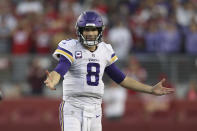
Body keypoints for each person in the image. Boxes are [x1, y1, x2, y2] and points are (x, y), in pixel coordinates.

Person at [44, 11, 174, 131]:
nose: (90, 33)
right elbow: (60, 69)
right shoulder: (71, 47)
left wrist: (150, 90)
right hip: (73, 107)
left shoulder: (104, 50)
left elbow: (122, 79)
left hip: (95, 109)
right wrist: (53, 79)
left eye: (93, 29)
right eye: (86, 29)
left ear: (100, 30)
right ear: (80, 31)